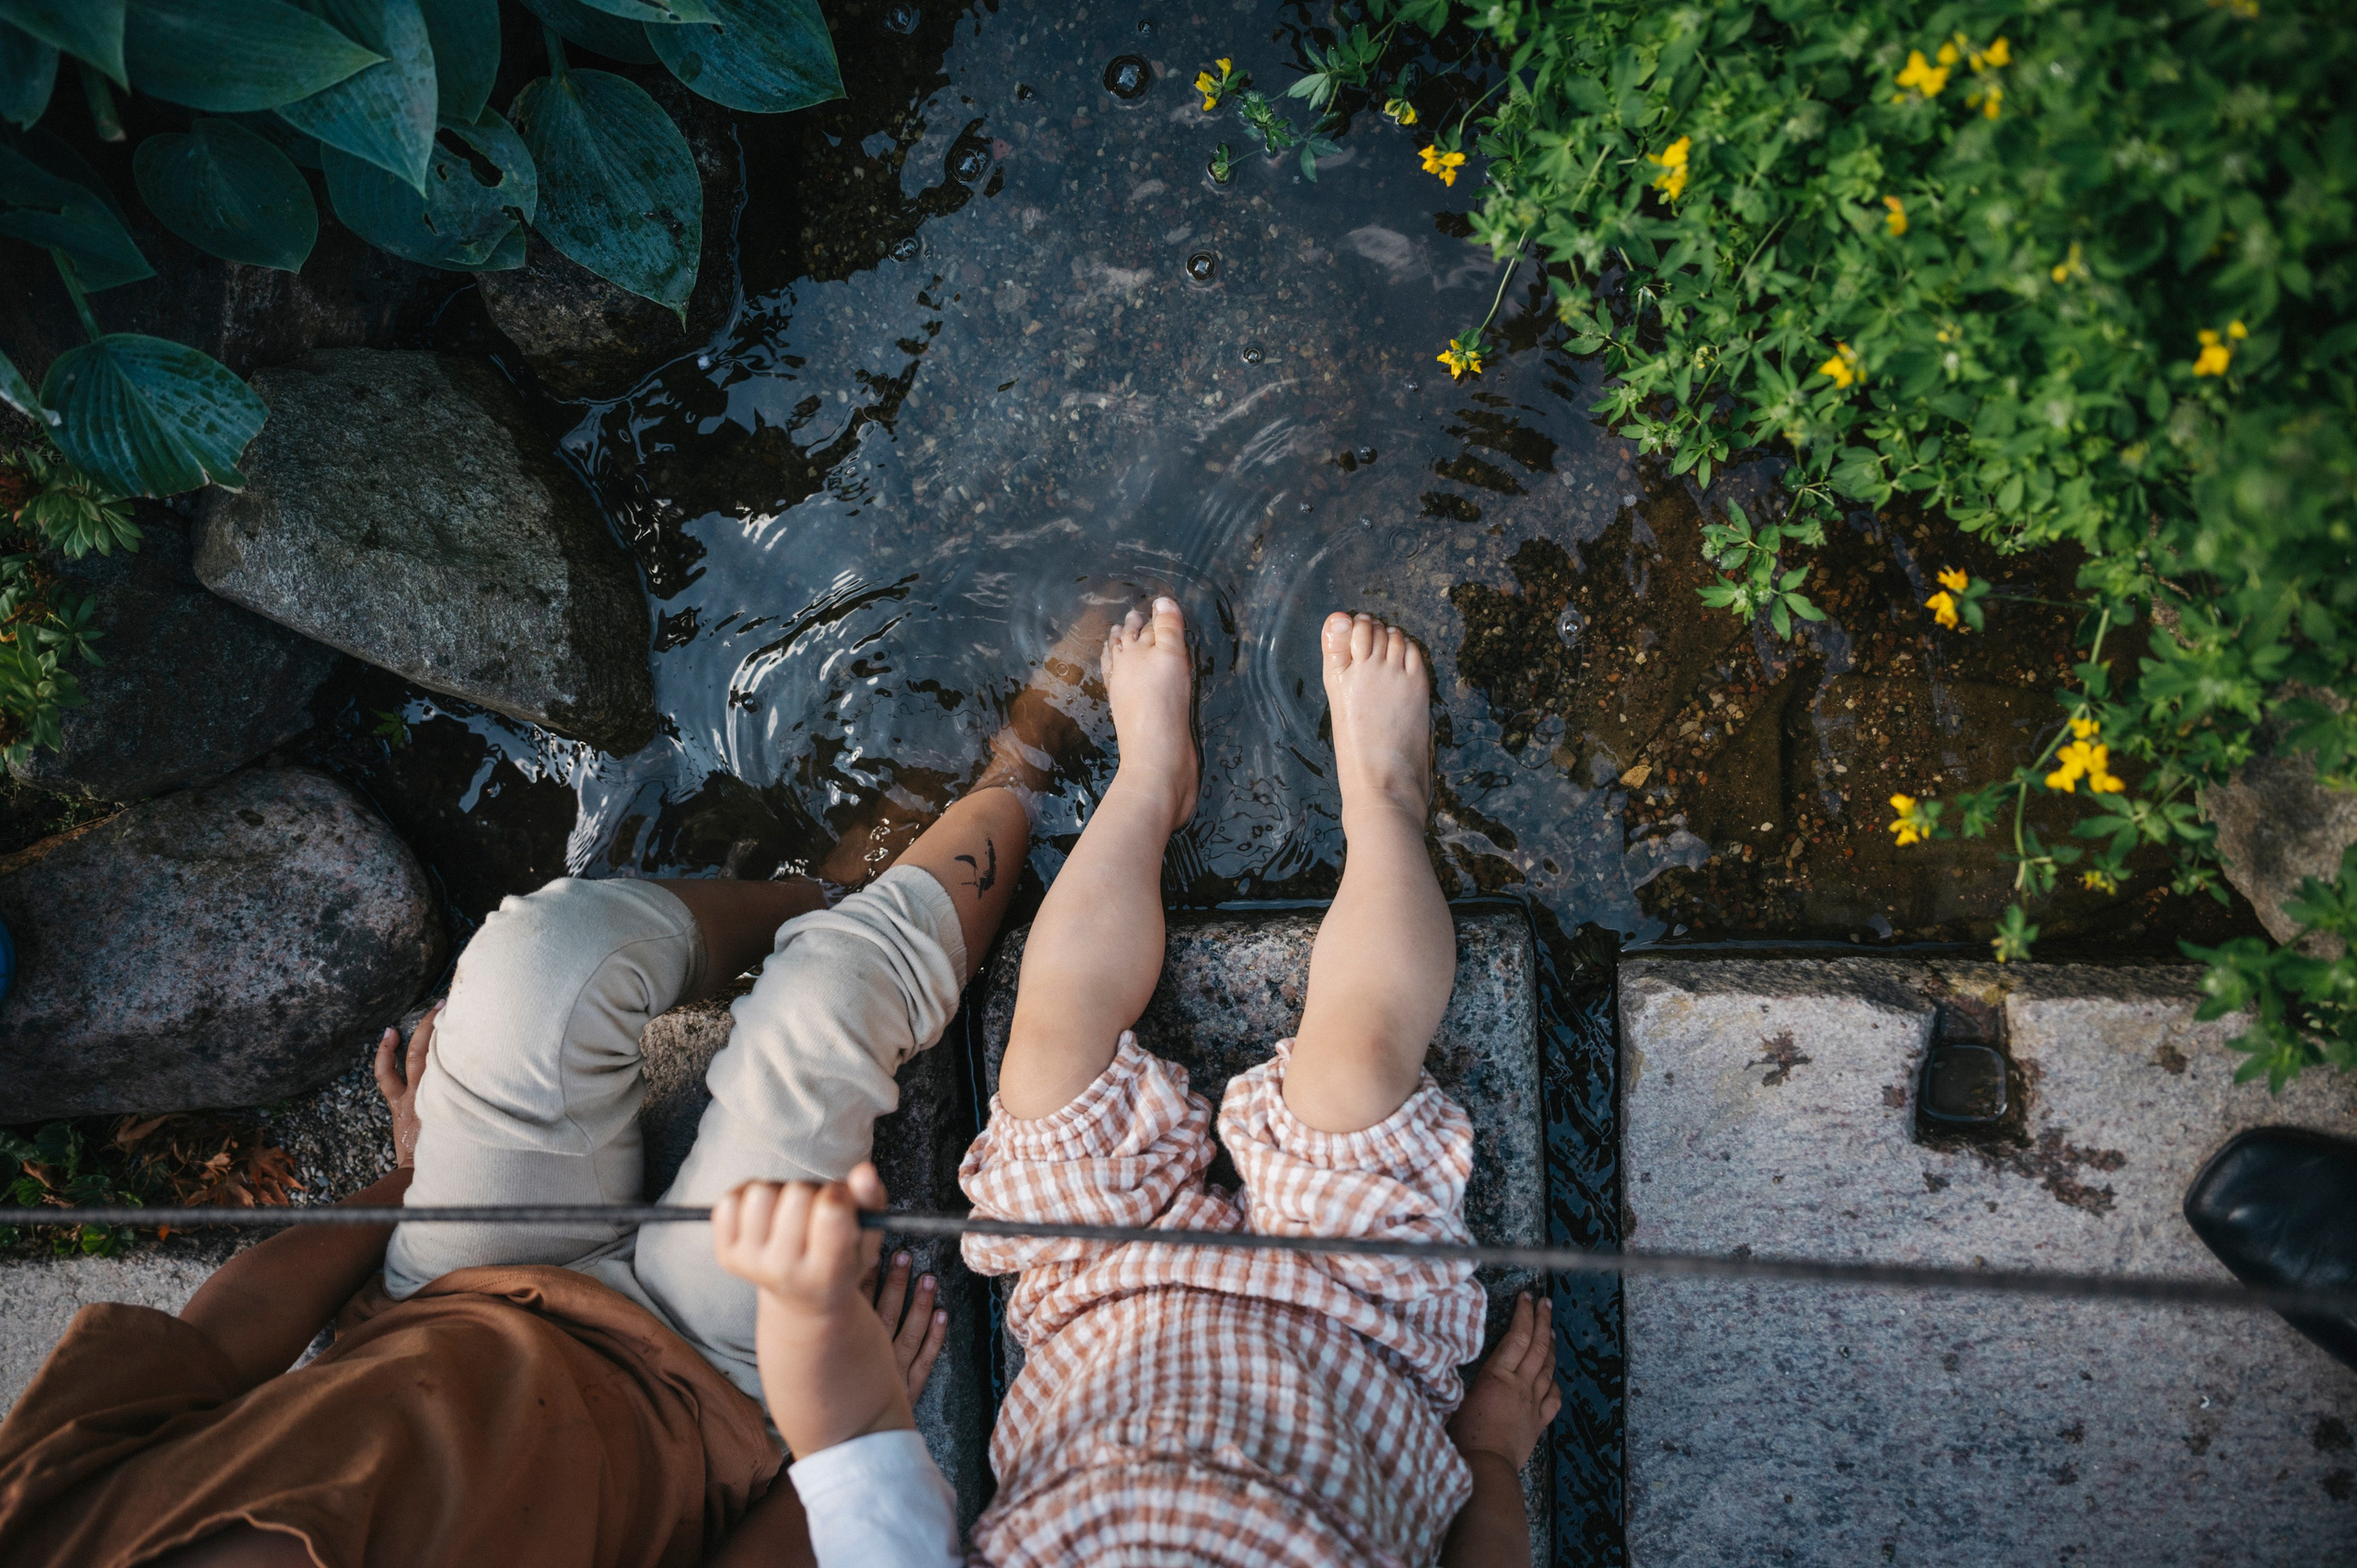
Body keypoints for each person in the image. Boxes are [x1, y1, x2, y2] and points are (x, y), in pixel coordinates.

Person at [0, 634, 1097, 1568]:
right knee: (828, 1000)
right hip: (704, 1398)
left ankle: (821, 886)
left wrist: (417, 1175)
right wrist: (849, 1433)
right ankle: (1023, 762)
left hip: (451, 1282)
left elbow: (224, 1334)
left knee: (544, 955)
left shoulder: (37, 1528)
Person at [714, 601, 1562, 1567]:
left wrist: (805, 1303)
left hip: (1103, 1292)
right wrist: (1489, 1450)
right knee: (1357, 1065)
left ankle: (1152, 781)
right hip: (1354, 1332)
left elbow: (851, 1445)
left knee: (1046, 1056)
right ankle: (1385, 799)